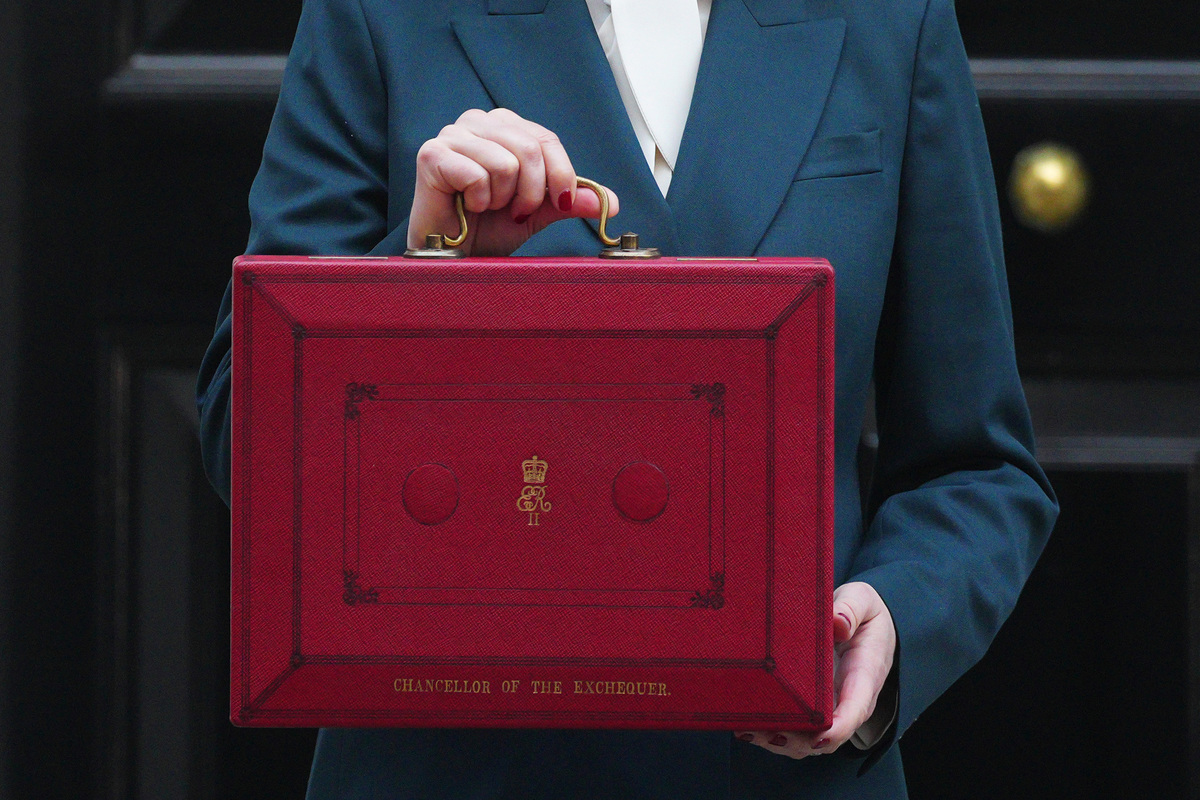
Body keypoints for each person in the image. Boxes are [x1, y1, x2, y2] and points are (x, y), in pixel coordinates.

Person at [197, 0, 1059, 796]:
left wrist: (897, 620)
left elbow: (978, 464)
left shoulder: (888, 15)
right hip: (450, 766)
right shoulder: (380, 10)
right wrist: (430, 265)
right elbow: (251, 442)